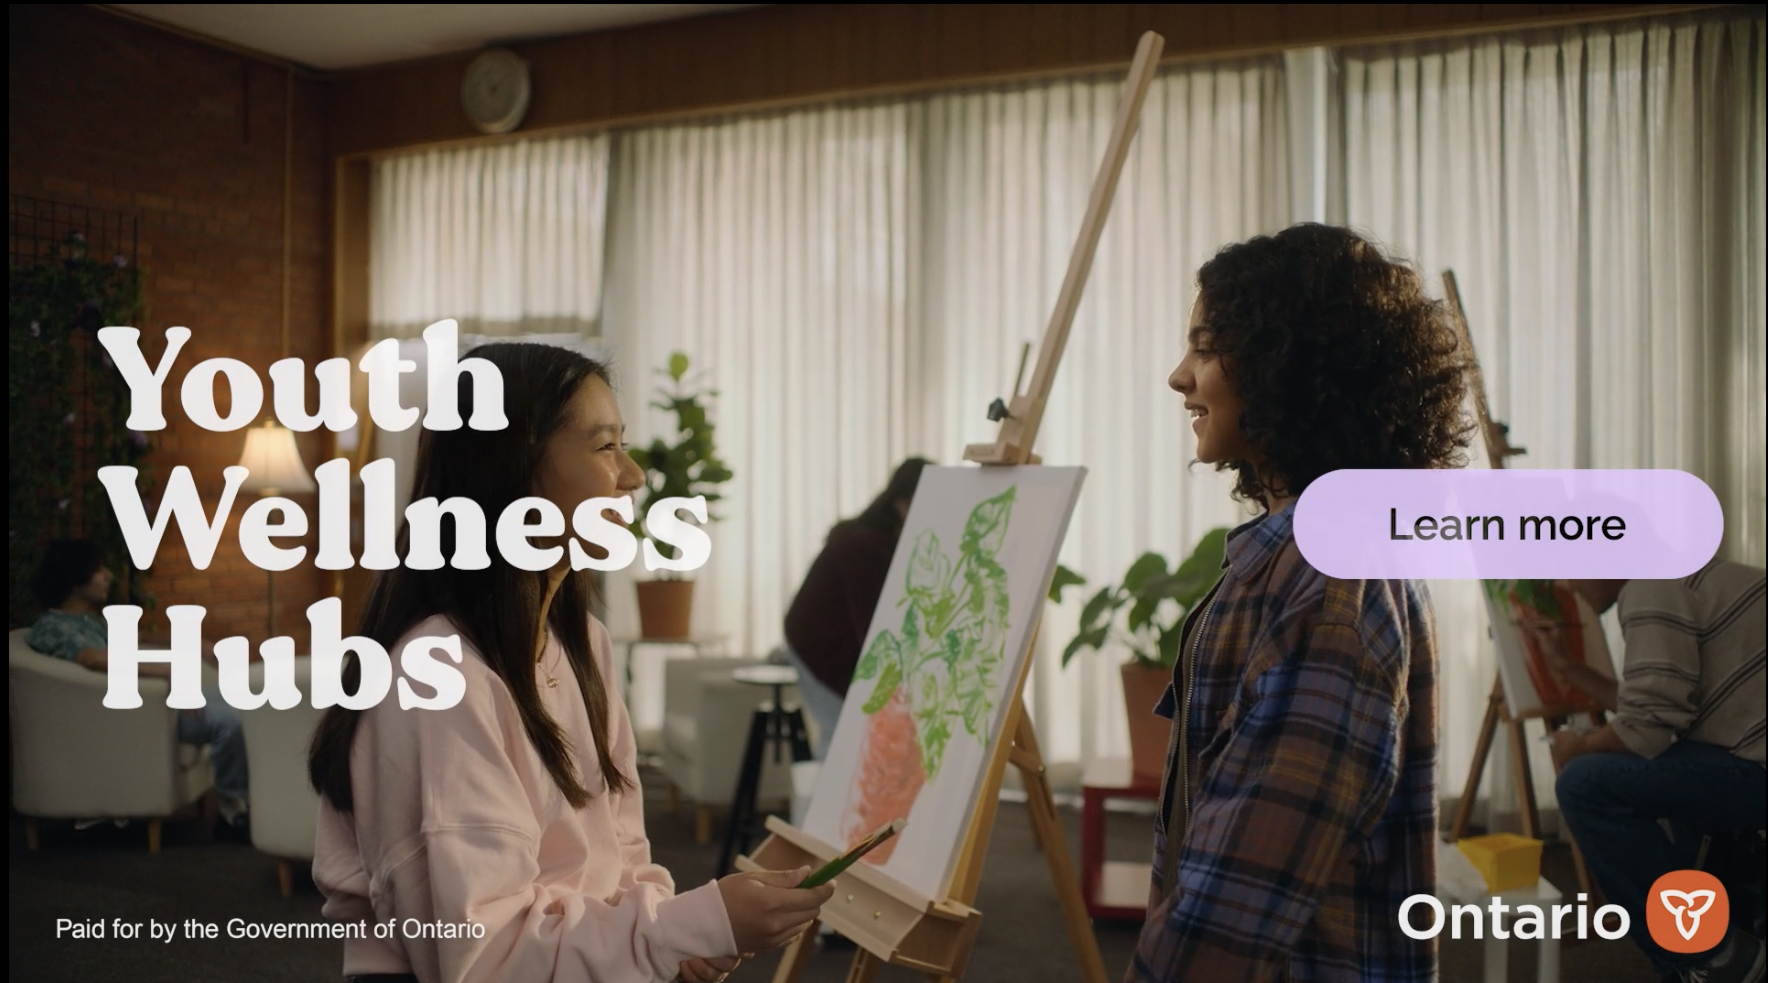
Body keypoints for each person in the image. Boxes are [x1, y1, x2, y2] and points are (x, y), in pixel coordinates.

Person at [309, 344, 832, 983]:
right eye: (605, 447)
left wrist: (671, 941)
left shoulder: (581, 641)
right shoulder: (439, 674)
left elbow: (620, 862)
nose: (634, 476)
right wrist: (686, 927)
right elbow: (488, 958)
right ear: (514, 468)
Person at [1129, 225, 1468, 982]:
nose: (1179, 375)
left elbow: (1232, 914)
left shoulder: (1327, 581)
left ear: (1288, 362)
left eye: (1206, 346)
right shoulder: (1314, 554)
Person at [1540, 570, 1767, 983]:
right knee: (1656, 771)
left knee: (1583, 784)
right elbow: (1653, 709)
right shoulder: (1677, 579)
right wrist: (1568, 668)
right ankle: (1711, 952)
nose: (1569, 586)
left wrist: (1579, 747)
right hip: (1749, 761)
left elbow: (1647, 729)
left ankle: (1713, 954)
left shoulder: (1650, 588)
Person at [27, 538, 251, 835]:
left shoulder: (86, 621)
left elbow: (138, 638)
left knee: (246, 703)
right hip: (140, 715)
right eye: (98, 570)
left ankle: (255, 801)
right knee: (227, 723)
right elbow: (93, 659)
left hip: (150, 706)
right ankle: (232, 814)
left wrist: (191, 643)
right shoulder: (55, 627)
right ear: (74, 581)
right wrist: (171, 673)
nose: (107, 575)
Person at [783, 457, 931, 758]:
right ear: (901, 501)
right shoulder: (866, 544)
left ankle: (825, 801)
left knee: (845, 732)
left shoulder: (880, 537)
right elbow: (873, 624)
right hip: (818, 650)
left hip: (823, 642)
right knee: (841, 734)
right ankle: (821, 805)